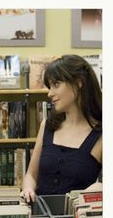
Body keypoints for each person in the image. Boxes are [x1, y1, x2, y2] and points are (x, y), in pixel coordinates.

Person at [22, 54, 102, 202]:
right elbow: (31, 175)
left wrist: (98, 188)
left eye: (56, 84)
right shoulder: (46, 126)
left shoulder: (101, 135)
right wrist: (28, 188)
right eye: (49, 86)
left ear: (79, 83)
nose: (50, 93)